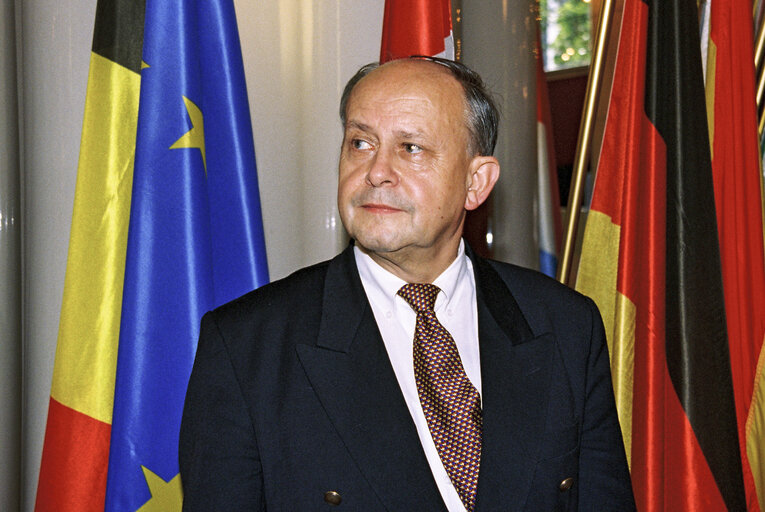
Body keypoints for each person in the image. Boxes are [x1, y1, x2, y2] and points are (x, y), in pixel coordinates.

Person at [179, 56, 635, 511]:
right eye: (360, 143)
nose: (376, 172)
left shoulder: (565, 326)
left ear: (476, 182)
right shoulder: (247, 346)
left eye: (411, 148)